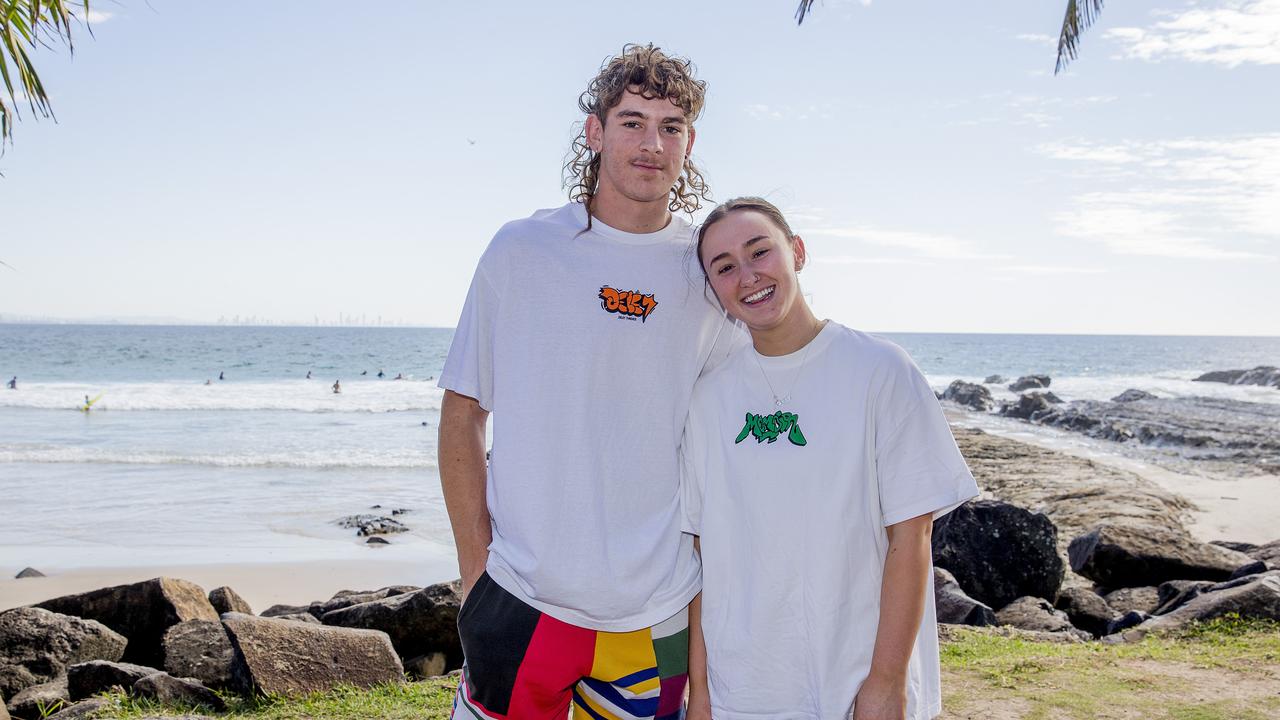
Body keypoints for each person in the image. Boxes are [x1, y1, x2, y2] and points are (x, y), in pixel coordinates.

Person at [438, 44, 738, 720]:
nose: (651, 143)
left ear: (689, 144)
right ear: (595, 133)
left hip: (657, 614)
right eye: (632, 121)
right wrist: (474, 577)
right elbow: (462, 414)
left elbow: (731, 442)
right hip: (521, 600)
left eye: (670, 127)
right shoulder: (522, 251)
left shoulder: (707, 273)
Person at [681, 198, 980, 720]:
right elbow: (705, 560)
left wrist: (885, 686)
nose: (748, 276)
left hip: (855, 683)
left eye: (760, 252)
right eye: (725, 267)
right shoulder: (708, 399)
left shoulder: (879, 369)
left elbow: (911, 541)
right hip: (744, 691)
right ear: (714, 289)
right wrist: (701, 696)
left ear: (796, 252)